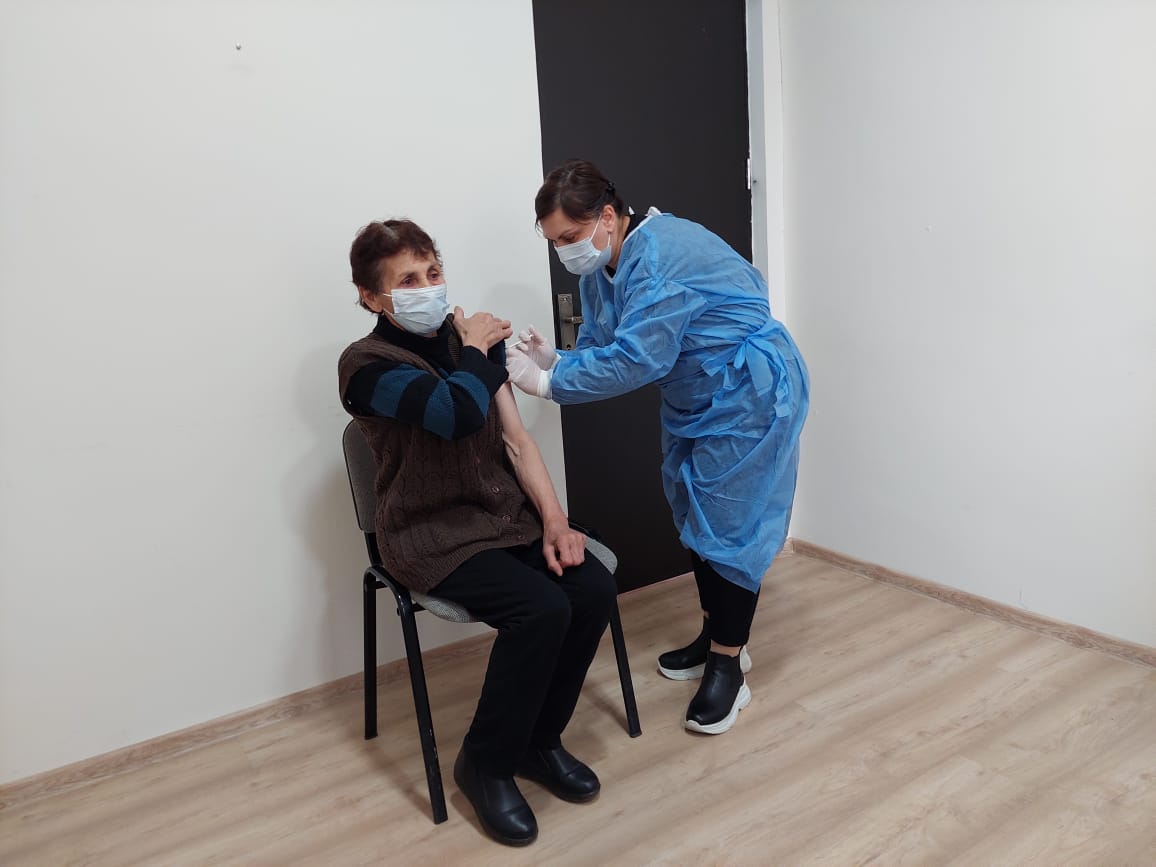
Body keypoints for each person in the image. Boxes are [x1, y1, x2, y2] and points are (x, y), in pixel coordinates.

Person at [338, 218, 616, 847]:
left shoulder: (472, 348)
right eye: (408, 280)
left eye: (433, 272)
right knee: (540, 608)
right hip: (426, 535)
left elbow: (516, 442)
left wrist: (556, 522)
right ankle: (484, 765)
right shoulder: (365, 365)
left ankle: (538, 741)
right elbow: (456, 414)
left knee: (591, 588)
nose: (428, 288)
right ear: (372, 298)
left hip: (501, 518)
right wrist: (473, 350)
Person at [507, 159, 809, 736]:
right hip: (697, 394)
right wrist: (558, 359)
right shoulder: (603, 269)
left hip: (747, 390)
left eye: (570, 236)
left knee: (729, 526)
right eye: (554, 243)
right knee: (695, 514)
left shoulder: (663, 255)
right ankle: (716, 633)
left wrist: (547, 383)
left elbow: (636, 359)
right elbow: (604, 343)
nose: (565, 252)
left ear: (608, 216)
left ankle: (729, 666)